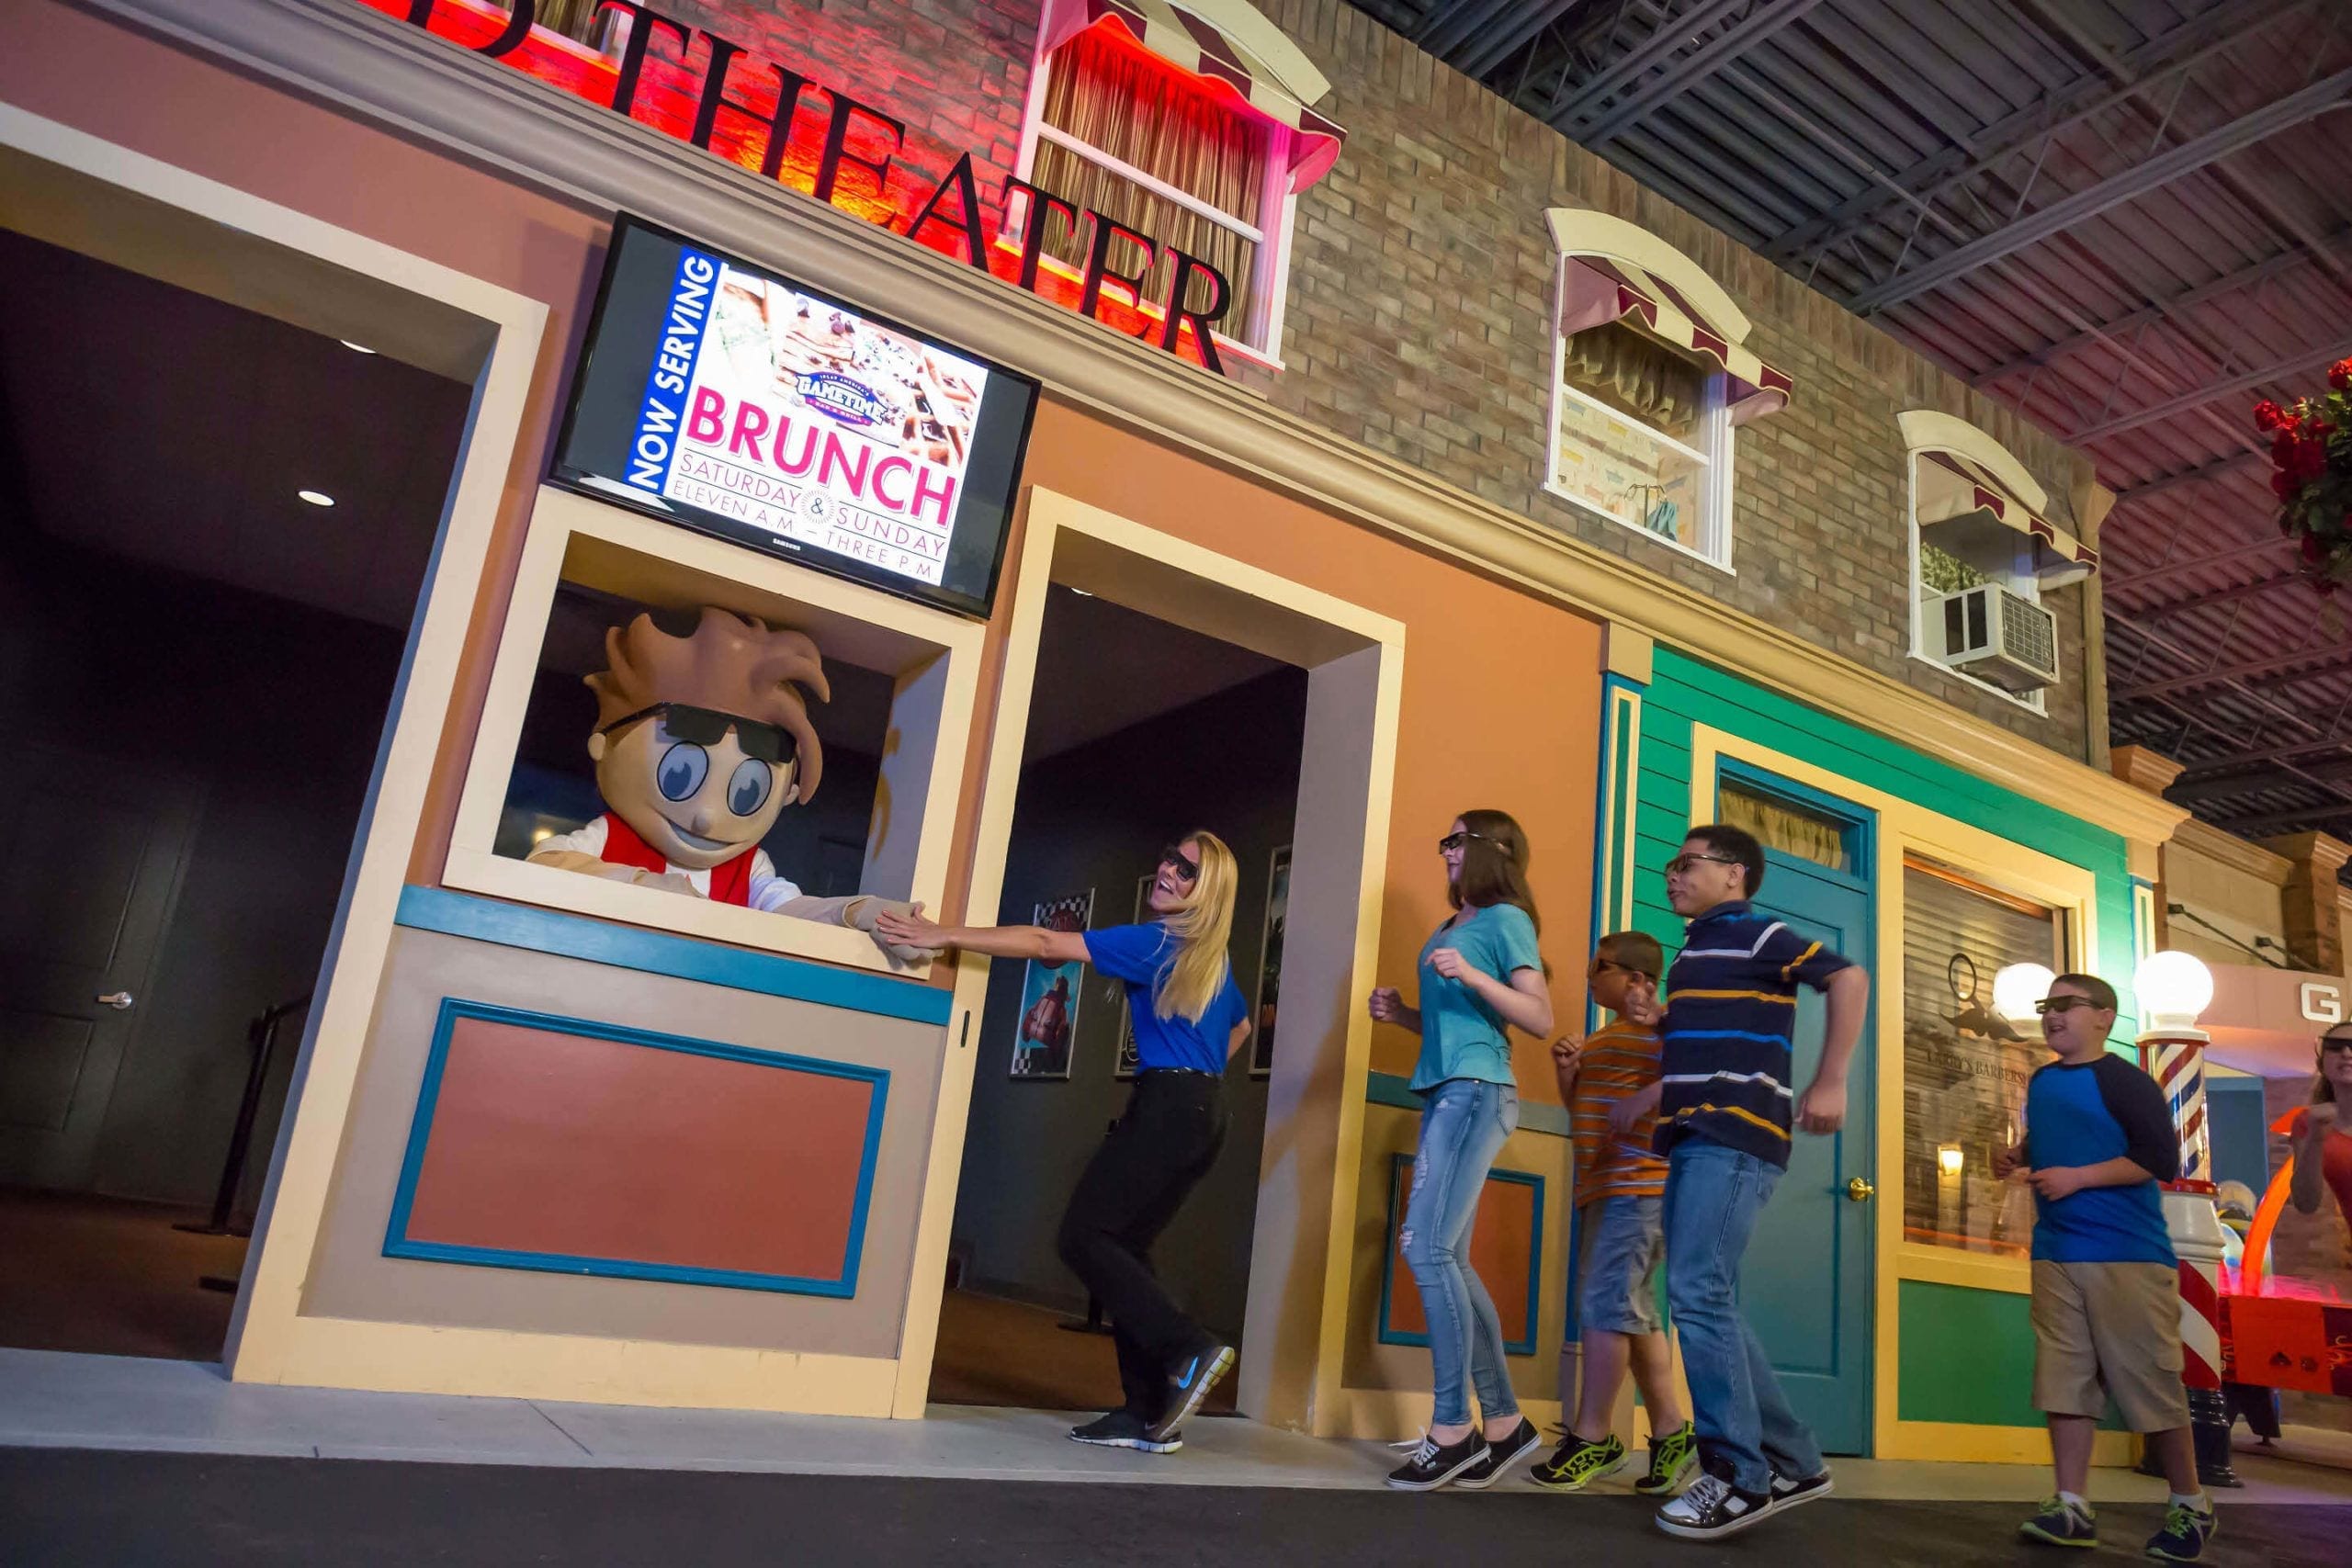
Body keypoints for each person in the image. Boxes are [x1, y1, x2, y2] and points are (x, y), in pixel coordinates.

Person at [876, 834, 1250, 1453]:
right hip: (1205, 1112)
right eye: (1168, 856)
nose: (1167, 869)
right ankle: (1144, 1410)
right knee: (1126, 1246)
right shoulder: (1213, 959)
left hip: (1169, 1104)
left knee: (1083, 1236)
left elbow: (1046, 943)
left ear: (1205, 893)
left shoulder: (1158, 941)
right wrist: (1198, 1085)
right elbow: (1240, 1025)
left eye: (1186, 871)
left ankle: (1188, 1347)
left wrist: (942, 934)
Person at [1632, 825, 1867, 1540]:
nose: (1672, 875)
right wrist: (1661, 1020)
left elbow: (1848, 976)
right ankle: (1795, 1462)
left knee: (1699, 1292)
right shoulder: (1695, 950)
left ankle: (1739, 1475)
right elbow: (1716, 1032)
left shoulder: (1756, 932)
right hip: (1695, 1133)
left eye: (1687, 863)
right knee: (1708, 1295)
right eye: (1671, 866)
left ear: (1734, 873)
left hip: (1733, 1133)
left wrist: (1832, 1078)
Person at [1993, 974, 2215, 1562]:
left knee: (2150, 1381)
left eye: (2067, 1005)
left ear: (2104, 1017)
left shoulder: (2126, 1081)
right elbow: (2056, 1137)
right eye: (2048, 1005)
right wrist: (2017, 1155)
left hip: (2126, 1252)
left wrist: (2078, 1178)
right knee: (2063, 1379)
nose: (2053, 1015)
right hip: (2055, 1250)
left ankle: (2190, 1505)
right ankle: (2071, 1505)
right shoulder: (2043, 1080)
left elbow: (2158, 1159)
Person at [1367, 810, 1553, 1491]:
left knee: (1425, 1248)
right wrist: (1403, 1016)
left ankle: (1452, 1429)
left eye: (1455, 840)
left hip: (1476, 1092)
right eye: (1443, 840)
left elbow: (1538, 1017)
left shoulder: (1506, 920)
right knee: (1449, 1257)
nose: (1445, 851)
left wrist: (1473, 975)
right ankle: (1503, 1423)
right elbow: (1457, 1022)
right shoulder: (1452, 926)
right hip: (1450, 1090)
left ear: (1491, 849)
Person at [1531, 930, 1697, 1495]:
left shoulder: (1664, 1031)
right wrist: (1568, 1074)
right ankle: (1672, 1431)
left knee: (1606, 1307)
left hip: (1639, 1187)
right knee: (1633, 1311)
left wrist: (1649, 1084)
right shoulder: (1605, 1037)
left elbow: (1694, 1077)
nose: (1587, 977)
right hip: (1605, 1188)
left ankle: (1594, 1436)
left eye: (1598, 967)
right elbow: (1583, 1109)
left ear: (1637, 979)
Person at [2289, 1021, 2352, 1229]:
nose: (2346, 1053)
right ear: (2322, 1063)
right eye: (2335, 1046)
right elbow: (2305, 1203)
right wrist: (2316, 1137)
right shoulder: (2309, 1122)